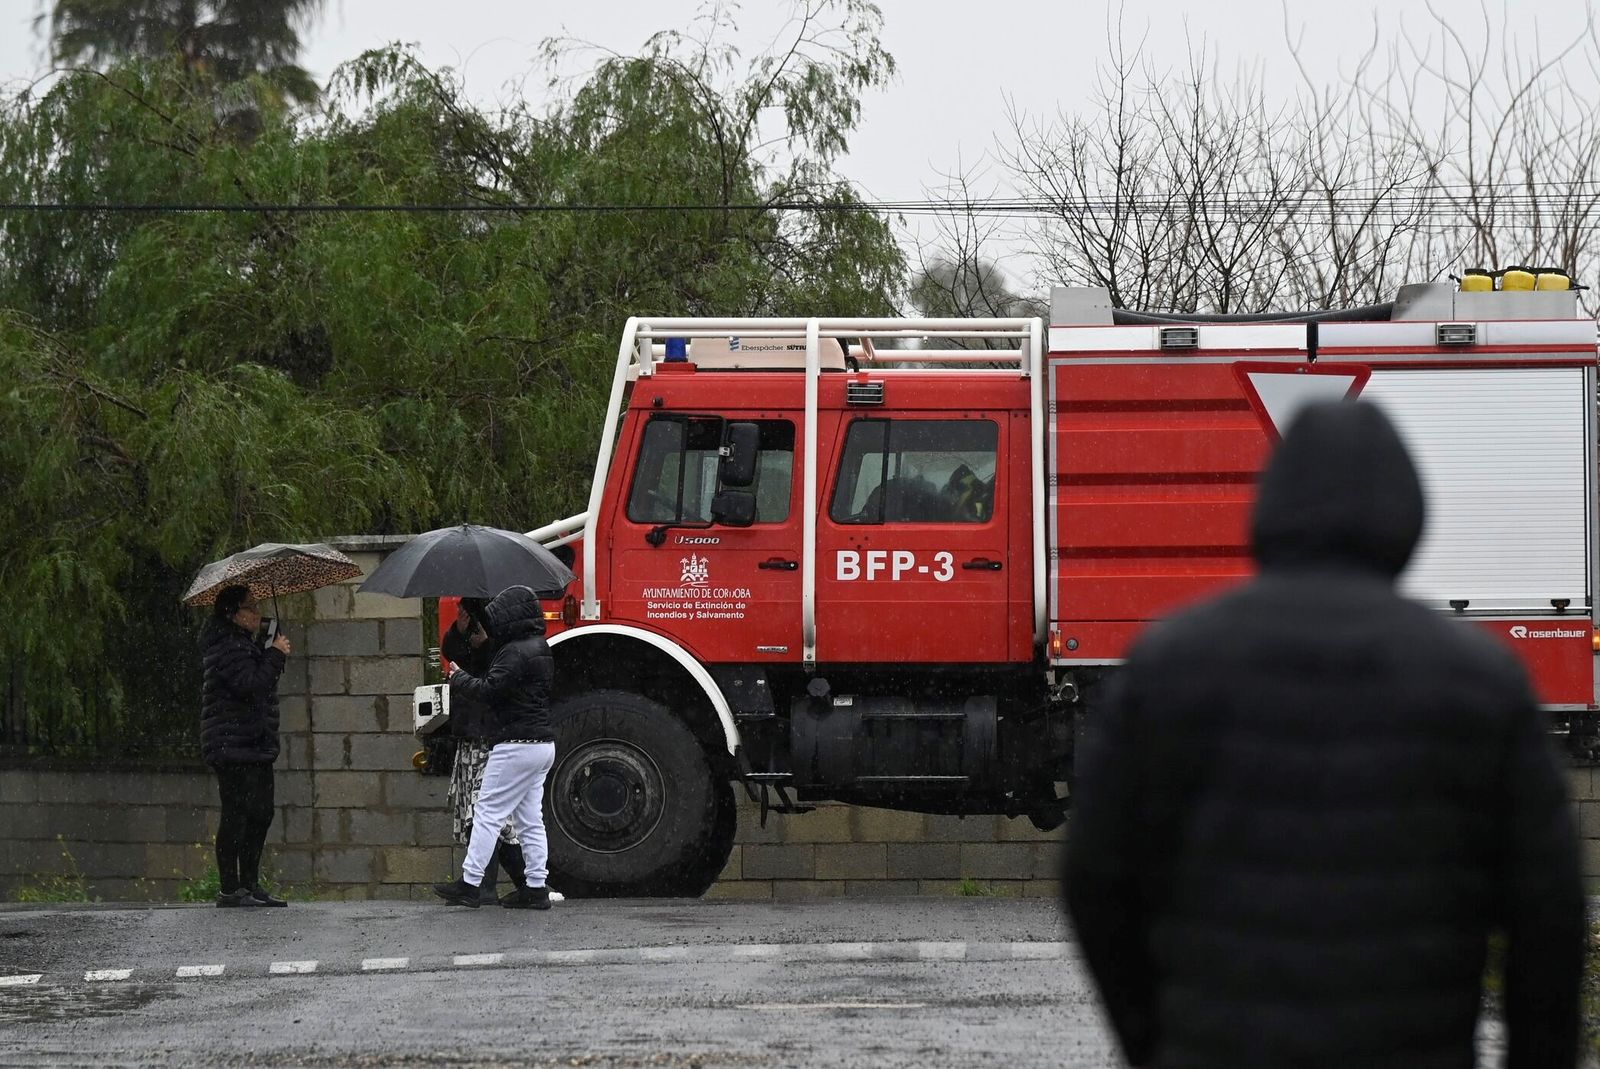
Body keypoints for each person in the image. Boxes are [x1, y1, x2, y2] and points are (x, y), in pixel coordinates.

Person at [1063, 400, 1584, 1069]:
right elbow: (1549, 913)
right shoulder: (1481, 680)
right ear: (1407, 515)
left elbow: (1094, 877)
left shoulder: (1166, 667)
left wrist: (1154, 1038)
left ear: (1272, 508)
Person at [432, 585, 556, 910]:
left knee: (487, 812)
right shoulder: (540, 647)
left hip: (515, 743)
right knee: (530, 819)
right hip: (542, 744)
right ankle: (536, 886)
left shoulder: (513, 652)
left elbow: (489, 690)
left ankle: (471, 883)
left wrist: (458, 677)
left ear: (511, 616)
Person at [199, 584, 292, 908]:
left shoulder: (243, 644)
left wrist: (270, 652)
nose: (257, 613)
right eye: (250, 607)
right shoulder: (226, 647)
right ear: (233, 614)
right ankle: (230, 887)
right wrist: (276, 654)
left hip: (254, 743)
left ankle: (250, 883)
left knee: (261, 812)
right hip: (233, 744)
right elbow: (251, 686)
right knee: (237, 813)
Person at [441, 597, 529, 905]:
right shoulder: (465, 634)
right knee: (481, 814)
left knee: (484, 812)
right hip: (470, 730)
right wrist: (459, 630)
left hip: (489, 734)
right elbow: (452, 655)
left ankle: (484, 885)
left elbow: (493, 680)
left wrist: (483, 644)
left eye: (465, 612)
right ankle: (516, 884)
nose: (462, 614)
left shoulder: (505, 641)